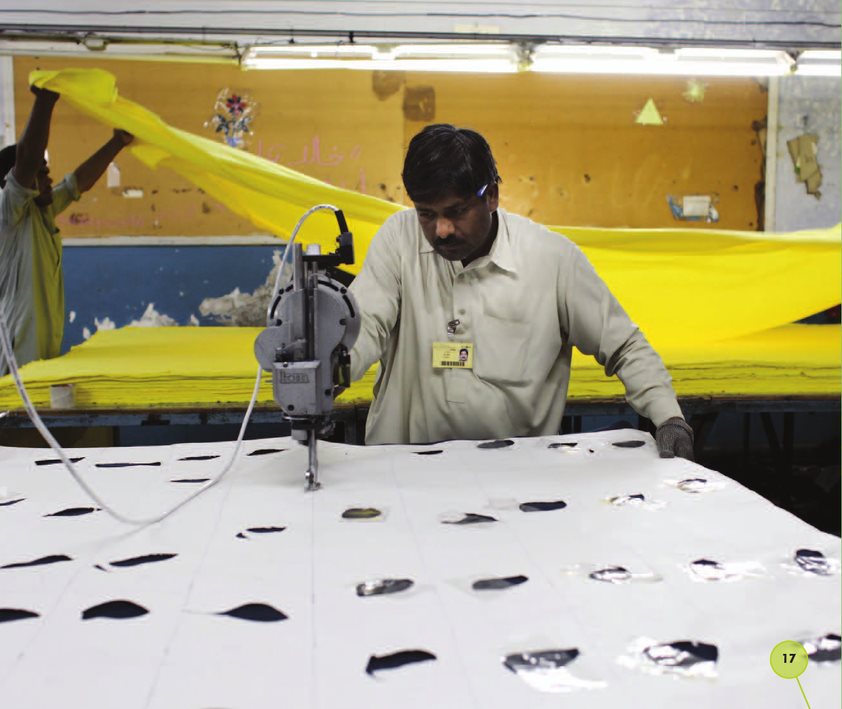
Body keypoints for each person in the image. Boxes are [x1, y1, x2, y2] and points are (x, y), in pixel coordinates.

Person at [349, 123, 693, 459]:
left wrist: (669, 417)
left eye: (456, 211)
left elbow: (623, 344)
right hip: (404, 470)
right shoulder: (400, 239)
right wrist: (332, 369)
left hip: (518, 481)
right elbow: (364, 326)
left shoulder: (551, 259)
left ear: (493, 196)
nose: (441, 230)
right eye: (426, 214)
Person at [0, 86, 133, 374]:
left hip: (43, 347)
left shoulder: (41, 209)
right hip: (16, 352)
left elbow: (77, 183)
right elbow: (27, 160)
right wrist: (45, 102)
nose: (49, 179)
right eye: (41, 173)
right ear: (16, 182)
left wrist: (117, 143)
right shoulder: (8, 215)